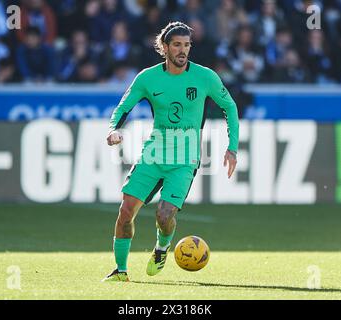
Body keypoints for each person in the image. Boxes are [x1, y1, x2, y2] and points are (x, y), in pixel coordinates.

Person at [102, 21, 239, 282]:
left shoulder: (205, 77)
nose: (183, 50)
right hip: (154, 154)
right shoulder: (147, 77)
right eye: (177, 44)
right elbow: (123, 108)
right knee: (126, 211)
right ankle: (120, 271)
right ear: (164, 47)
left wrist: (232, 148)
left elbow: (230, 107)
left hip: (185, 159)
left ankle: (162, 249)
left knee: (164, 215)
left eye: (187, 45)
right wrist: (113, 130)